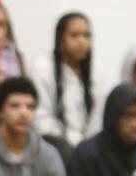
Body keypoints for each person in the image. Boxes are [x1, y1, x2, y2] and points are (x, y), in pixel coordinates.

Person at [29, 13, 97, 154]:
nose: (81, 41)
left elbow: (98, 118)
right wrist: (73, 143)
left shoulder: (97, 70)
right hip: (52, 143)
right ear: (60, 38)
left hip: (88, 147)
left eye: (86, 36)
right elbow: (41, 118)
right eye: (74, 35)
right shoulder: (43, 68)